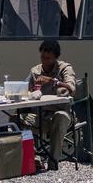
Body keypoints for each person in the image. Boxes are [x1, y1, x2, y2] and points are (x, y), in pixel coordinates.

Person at [22, 40, 76, 170]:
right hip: (42, 116)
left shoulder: (65, 68)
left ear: (56, 57)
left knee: (60, 117)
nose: (45, 61)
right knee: (15, 120)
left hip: (63, 114)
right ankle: (34, 157)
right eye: (42, 57)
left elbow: (71, 89)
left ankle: (53, 161)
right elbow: (27, 92)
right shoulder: (35, 71)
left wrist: (53, 81)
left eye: (48, 58)